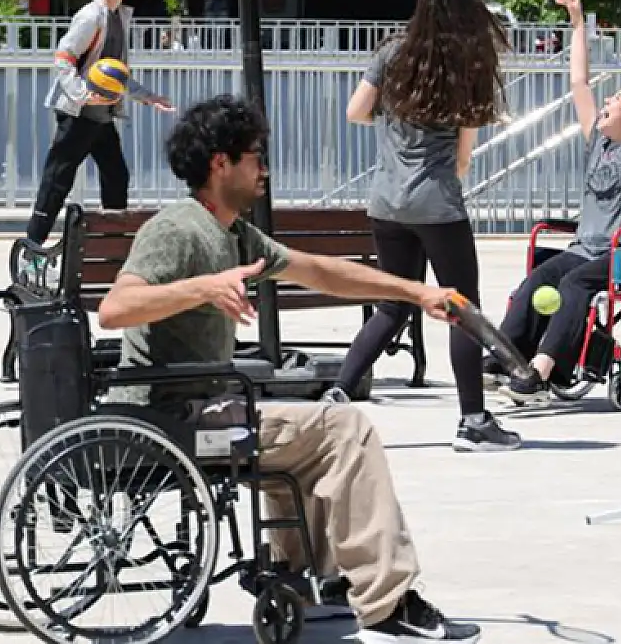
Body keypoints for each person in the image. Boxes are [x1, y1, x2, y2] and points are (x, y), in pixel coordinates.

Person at [96, 95, 480, 641]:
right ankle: (387, 599)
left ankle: (297, 576)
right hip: (173, 422)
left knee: (310, 431)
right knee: (345, 429)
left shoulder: (233, 234)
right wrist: (202, 287)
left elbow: (322, 271)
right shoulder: (177, 229)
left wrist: (417, 291)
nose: (265, 169)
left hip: (202, 411)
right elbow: (116, 308)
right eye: (255, 156)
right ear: (219, 163)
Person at [329, 0, 522, 452]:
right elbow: (461, 158)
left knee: (393, 304)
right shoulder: (468, 66)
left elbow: (355, 111)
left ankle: (338, 394)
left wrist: (396, 118)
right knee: (461, 305)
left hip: (386, 200)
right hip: (436, 201)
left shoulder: (392, 53)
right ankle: (474, 420)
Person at [494, 0, 621, 405]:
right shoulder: (598, 144)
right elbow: (579, 84)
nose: (607, 101)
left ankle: (541, 372)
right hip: (585, 247)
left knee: (573, 285)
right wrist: (576, 24)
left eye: (617, 100)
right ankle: (501, 360)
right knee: (538, 278)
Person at [26, 0, 173, 245]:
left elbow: (114, 74)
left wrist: (147, 96)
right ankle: (32, 248)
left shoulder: (119, 16)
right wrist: (83, 96)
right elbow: (63, 58)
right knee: (58, 180)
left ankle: (112, 245)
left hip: (102, 115)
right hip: (78, 114)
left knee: (116, 176)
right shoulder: (91, 16)